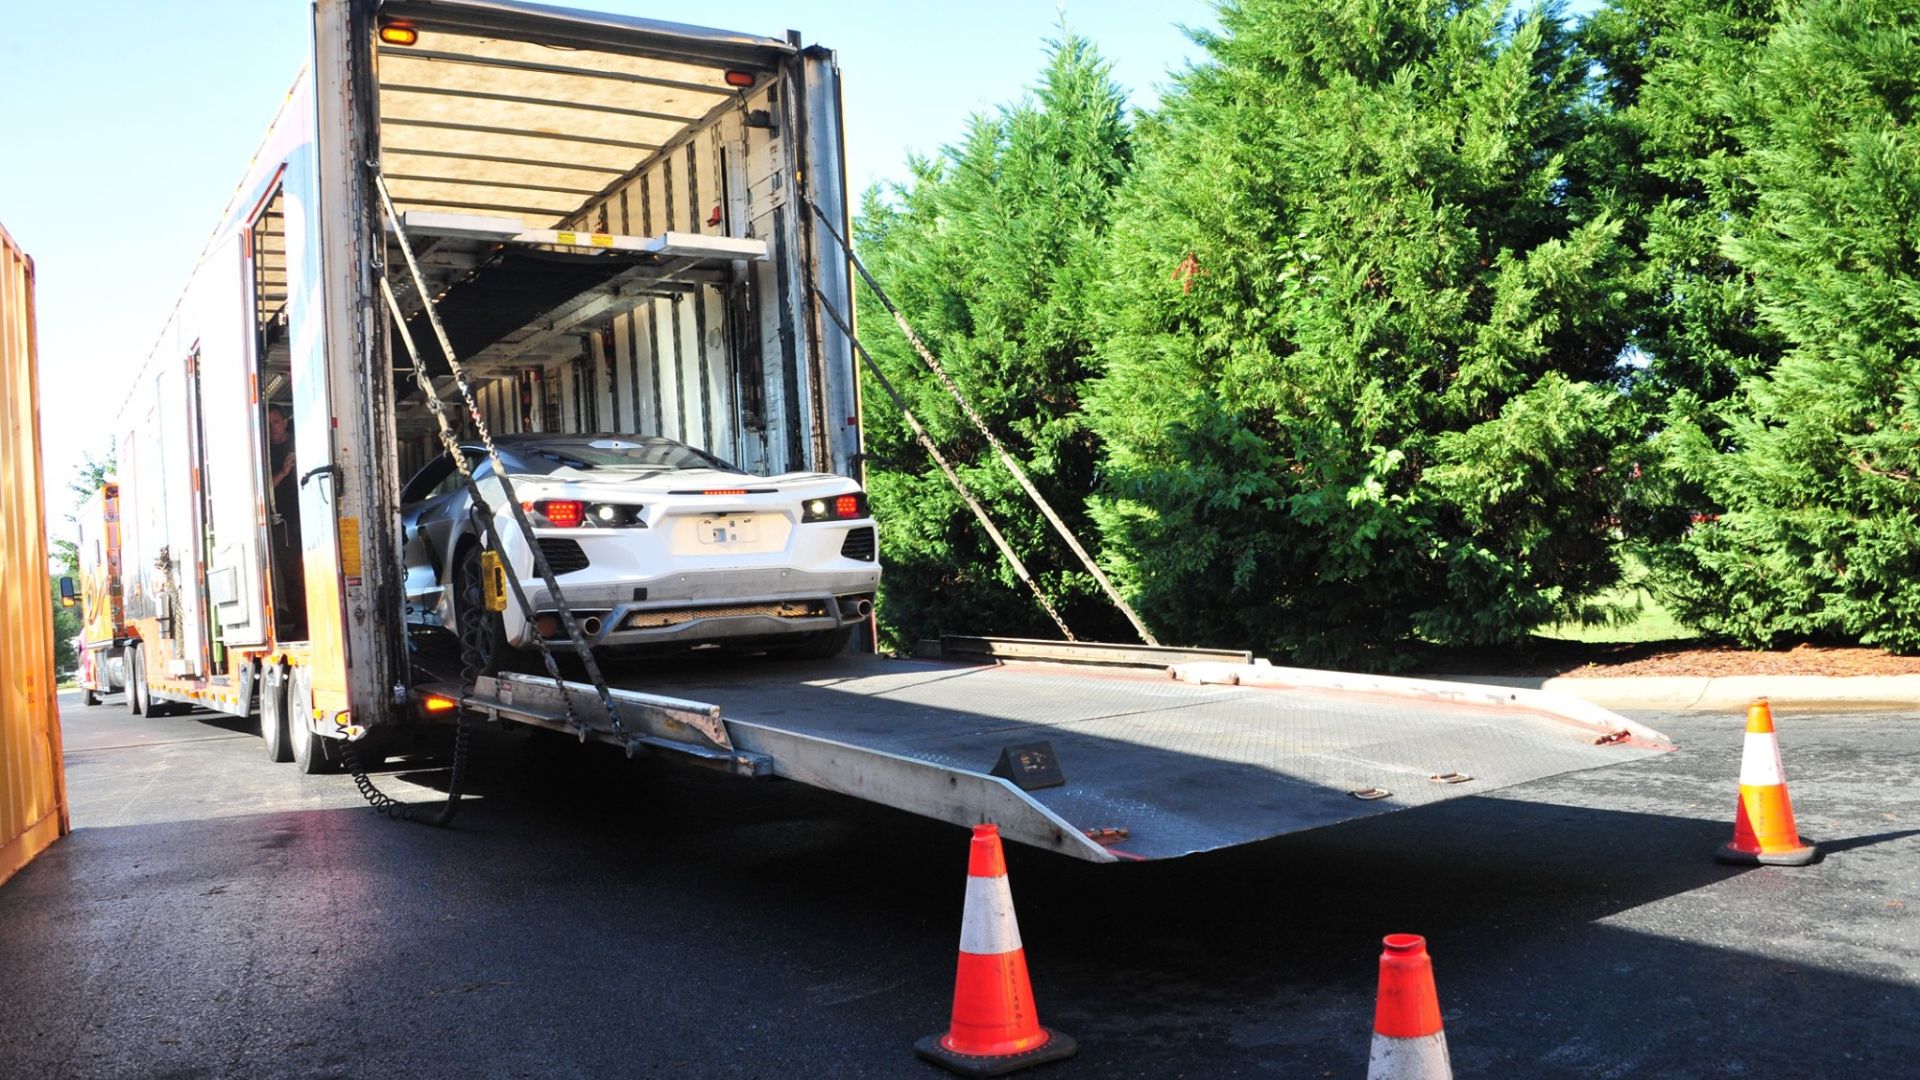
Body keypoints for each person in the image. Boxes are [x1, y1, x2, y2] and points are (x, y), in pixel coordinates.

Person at [266, 403, 307, 637]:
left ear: (286, 422)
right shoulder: (264, 453)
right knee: (293, 577)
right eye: (269, 424)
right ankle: (303, 625)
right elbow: (265, 488)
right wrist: (283, 472)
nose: (273, 428)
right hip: (283, 523)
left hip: (309, 517)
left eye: (276, 422)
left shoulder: (301, 442)